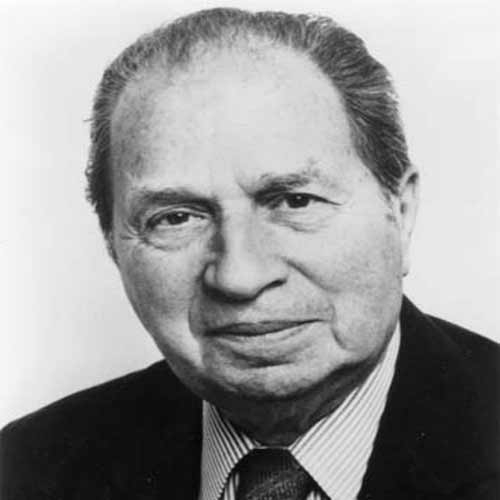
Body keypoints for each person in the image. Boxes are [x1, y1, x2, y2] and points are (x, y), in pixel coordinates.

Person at [1, 7, 498, 500]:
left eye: (295, 201)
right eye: (176, 217)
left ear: (401, 212)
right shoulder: (25, 469)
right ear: (112, 244)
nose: (239, 276)